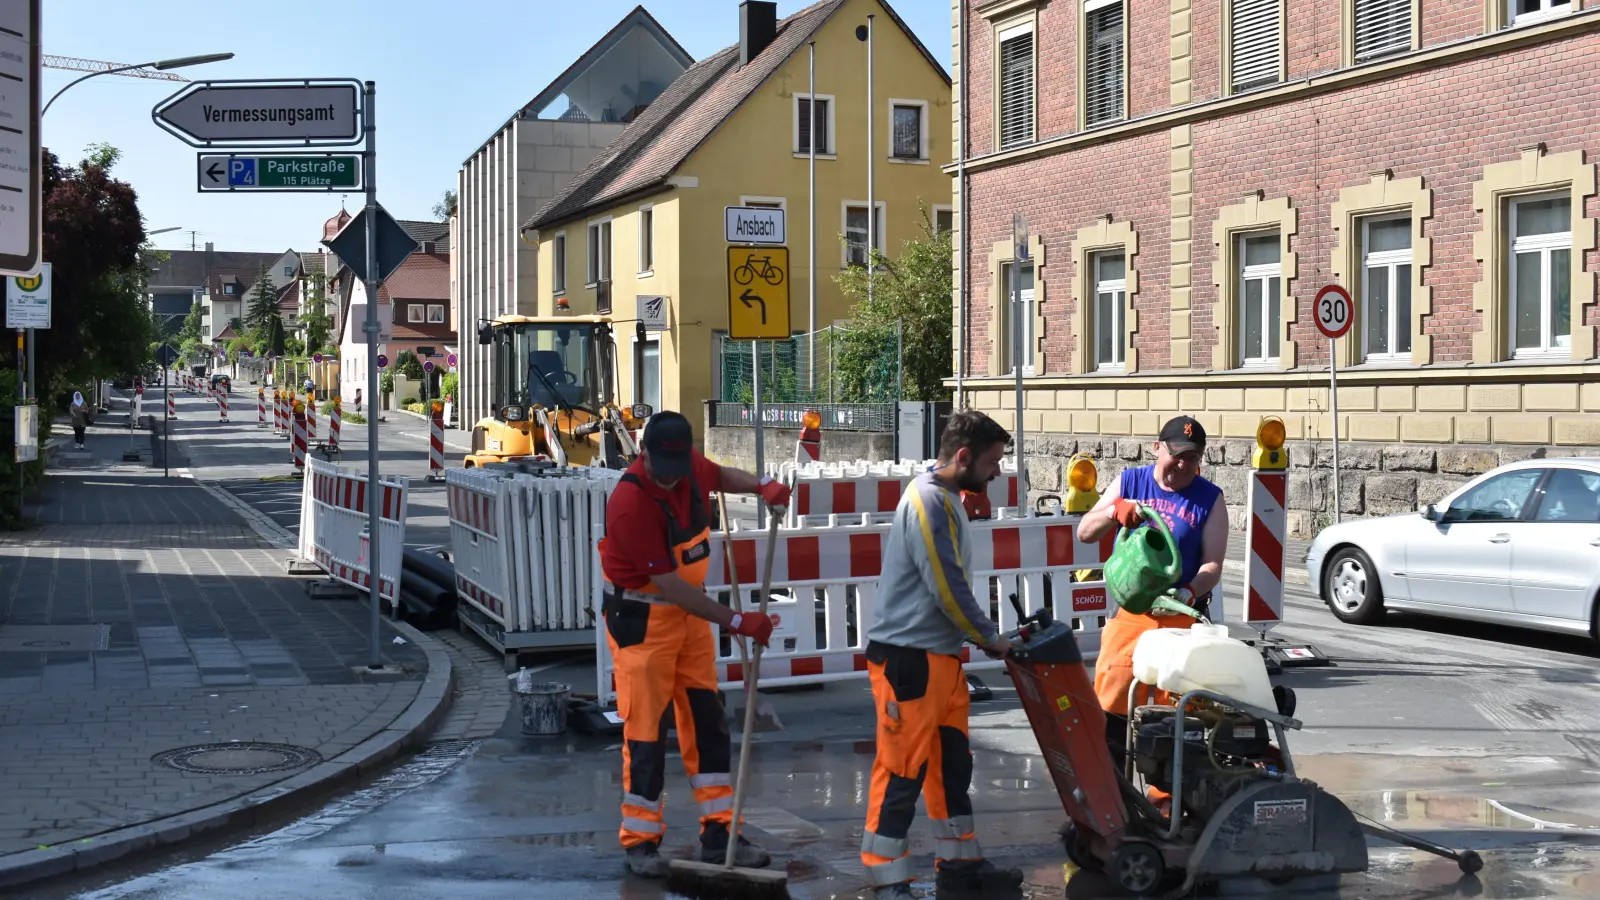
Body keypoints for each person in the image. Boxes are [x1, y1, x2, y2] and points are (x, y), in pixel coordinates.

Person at [597, 410, 792, 879]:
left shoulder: (686, 466)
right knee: (645, 733)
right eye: (662, 472)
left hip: (688, 621)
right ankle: (641, 841)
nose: (671, 481)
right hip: (643, 620)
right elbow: (669, 584)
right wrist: (738, 621)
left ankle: (720, 833)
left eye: (678, 471)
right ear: (644, 455)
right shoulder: (630, 503)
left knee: (708, 724)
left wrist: (762, 483)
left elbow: (718, 474)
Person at [859, 411, 1025, 900]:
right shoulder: (929, 501)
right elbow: (946, 587)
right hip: (909, 662)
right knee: (902, 770)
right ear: (964, 456)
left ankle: (960, 866)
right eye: (993, 462)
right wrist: (991, 637)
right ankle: (886, 878)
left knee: (952, 768)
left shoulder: (946, 498)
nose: (997, 471)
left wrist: (977, 637)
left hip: (940, 661)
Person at [1077, 415, 1229, 722]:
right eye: (1177, 455)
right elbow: (1085, 532)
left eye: (1193, 457)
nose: (1184, 465)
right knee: (1112, 708)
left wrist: (1189, 591)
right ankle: (1114, 767)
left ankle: (1169, 769)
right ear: (1157, 448)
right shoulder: (1131, 482)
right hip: (1132, 614)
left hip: (1182, 619)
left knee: (1178, 716)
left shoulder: (1210, 499)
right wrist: (1114, 510)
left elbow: (1212, 564)